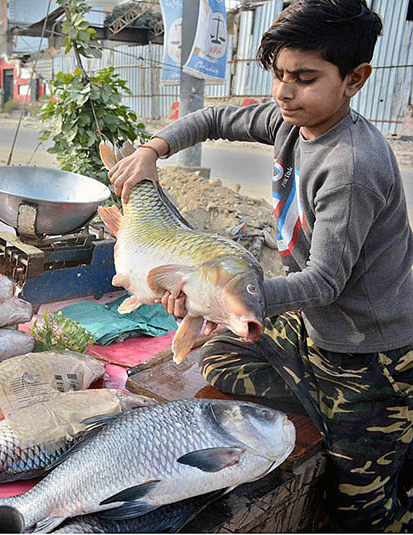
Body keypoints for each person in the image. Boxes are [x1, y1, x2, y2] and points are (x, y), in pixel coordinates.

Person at [108, 0, 413, 531]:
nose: (284, 91)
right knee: (219, 357)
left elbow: (324, 281)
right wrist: (154, 149)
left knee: (358, 499)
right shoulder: (291, 120)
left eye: (305, 77)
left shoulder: (352, 167)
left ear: (356, 79)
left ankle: (366, 423)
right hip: (313, 324)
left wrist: (226, 297)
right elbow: (214, 118)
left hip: (370, 347)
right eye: (278, 75)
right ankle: (332, 406)